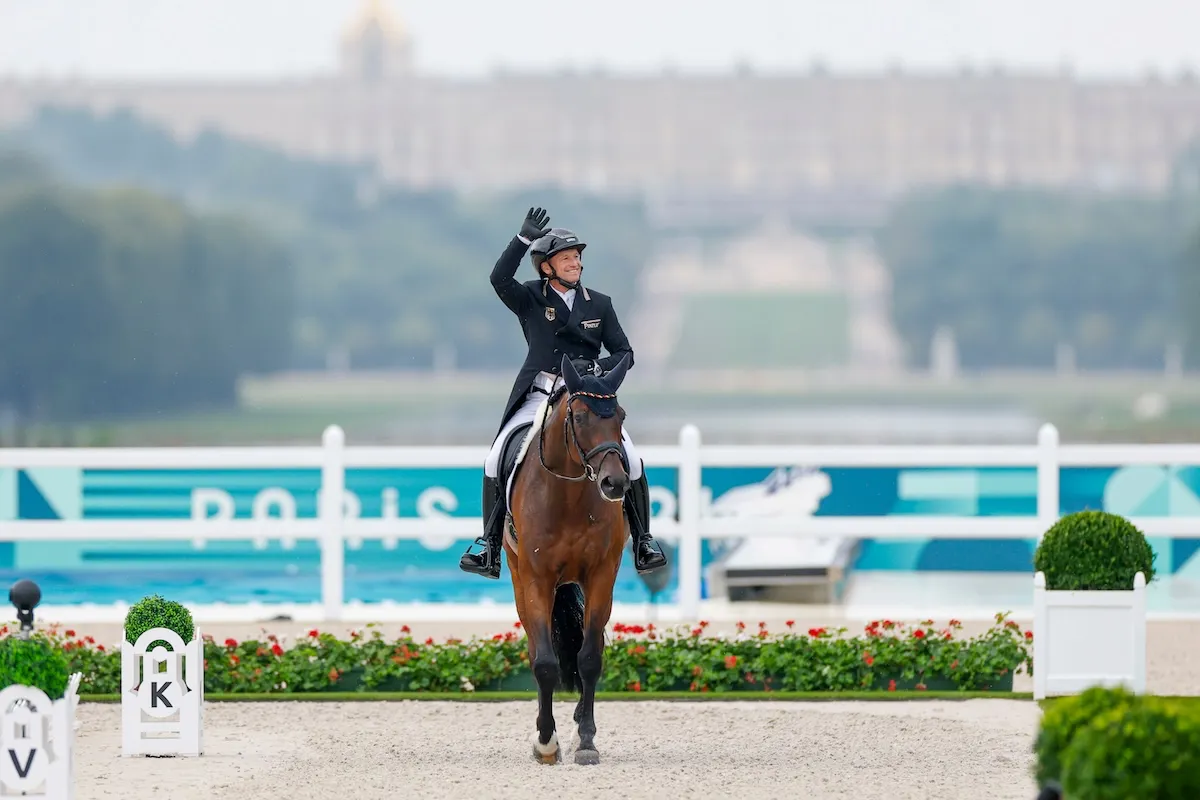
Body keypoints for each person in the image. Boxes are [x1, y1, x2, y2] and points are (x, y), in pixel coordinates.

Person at [458, 206, 669, 580]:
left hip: (586, 398)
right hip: (540, 394)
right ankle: (489, 545)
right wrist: (522, 240)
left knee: (631, 460)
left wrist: (593, 372)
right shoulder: (530, 298)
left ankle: (643, 540)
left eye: (577, 258)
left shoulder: (599, 304)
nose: (575, 264)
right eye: (567, 258)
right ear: (547, 267)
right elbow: (498, 278)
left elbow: (625, 353)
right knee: (495, 458)